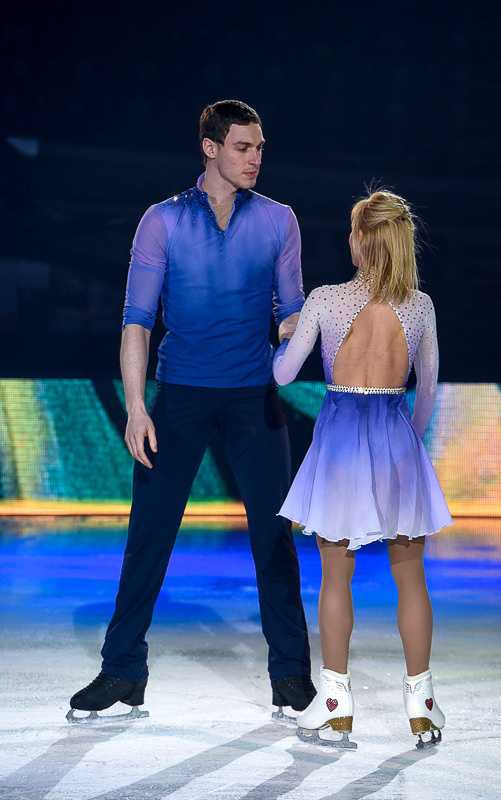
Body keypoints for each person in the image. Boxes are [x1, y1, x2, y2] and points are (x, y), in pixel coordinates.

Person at [68, 100, 316, 723]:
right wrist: (134, 407)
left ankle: (290, 676)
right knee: (148, 536)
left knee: (273, 539)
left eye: (260, 148)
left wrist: (316, 324)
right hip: (178, 395)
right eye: (243, 148)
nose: (256, 159)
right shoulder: (162, 221)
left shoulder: (280, 221)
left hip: (253, 397)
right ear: (210, 148)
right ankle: (123, 670)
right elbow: (136, 323)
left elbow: (289, 314)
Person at [272, 189, 453, 749]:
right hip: (396, 437)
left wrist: (287, 331)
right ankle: (421, 707)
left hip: (343, 445)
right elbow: (427, 392)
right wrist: (407, 445)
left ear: (361, 240)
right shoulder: (420, 306)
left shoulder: (325, 301)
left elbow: (282, 377)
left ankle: (334, 707)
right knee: (410, 577)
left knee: (335, 575)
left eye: (352, 231)